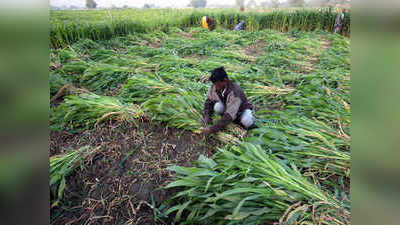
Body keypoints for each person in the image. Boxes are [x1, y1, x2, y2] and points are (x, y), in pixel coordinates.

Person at [202, 67, 254, 135]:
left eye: (218, 84)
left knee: (246, 121)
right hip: (229, 107)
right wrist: (207, 116)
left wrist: (212, 129)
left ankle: (249, 123)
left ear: (225, 80)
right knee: (217, 107)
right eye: (214, 84)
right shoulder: (216, 86)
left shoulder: (235, 92)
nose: (215, 87)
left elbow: (229, 115)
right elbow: (209, 101)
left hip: (241, 110)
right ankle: (228, 120)